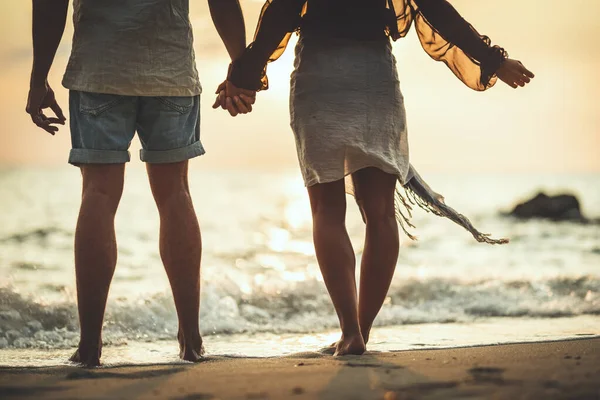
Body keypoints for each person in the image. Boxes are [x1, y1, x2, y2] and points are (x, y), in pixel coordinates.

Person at [217, 0, 534, 356]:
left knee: (326, 211)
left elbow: (283, 11)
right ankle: (360, 333)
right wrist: (493, 60)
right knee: (380, 213)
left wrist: (242, 75)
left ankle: (349, 330)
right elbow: (436, 8)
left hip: (319, 73)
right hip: (373, 73)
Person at [25, 0, 254, 367]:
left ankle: (89, 345)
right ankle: (191, 339)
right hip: (170, 68)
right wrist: (241, 65)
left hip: (99, 69)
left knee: (98, 193)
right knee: (175, 194)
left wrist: (39, 78)